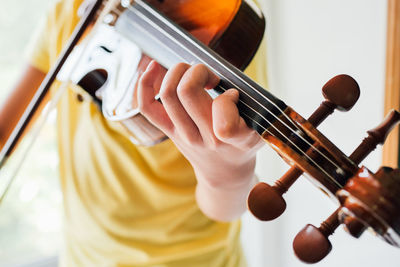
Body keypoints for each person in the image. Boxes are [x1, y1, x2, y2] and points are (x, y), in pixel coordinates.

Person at [0, 0, 268, 266]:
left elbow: (228, 207)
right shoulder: (72, 11)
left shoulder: (217, 16)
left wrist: (229, 174)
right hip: (81, 258)